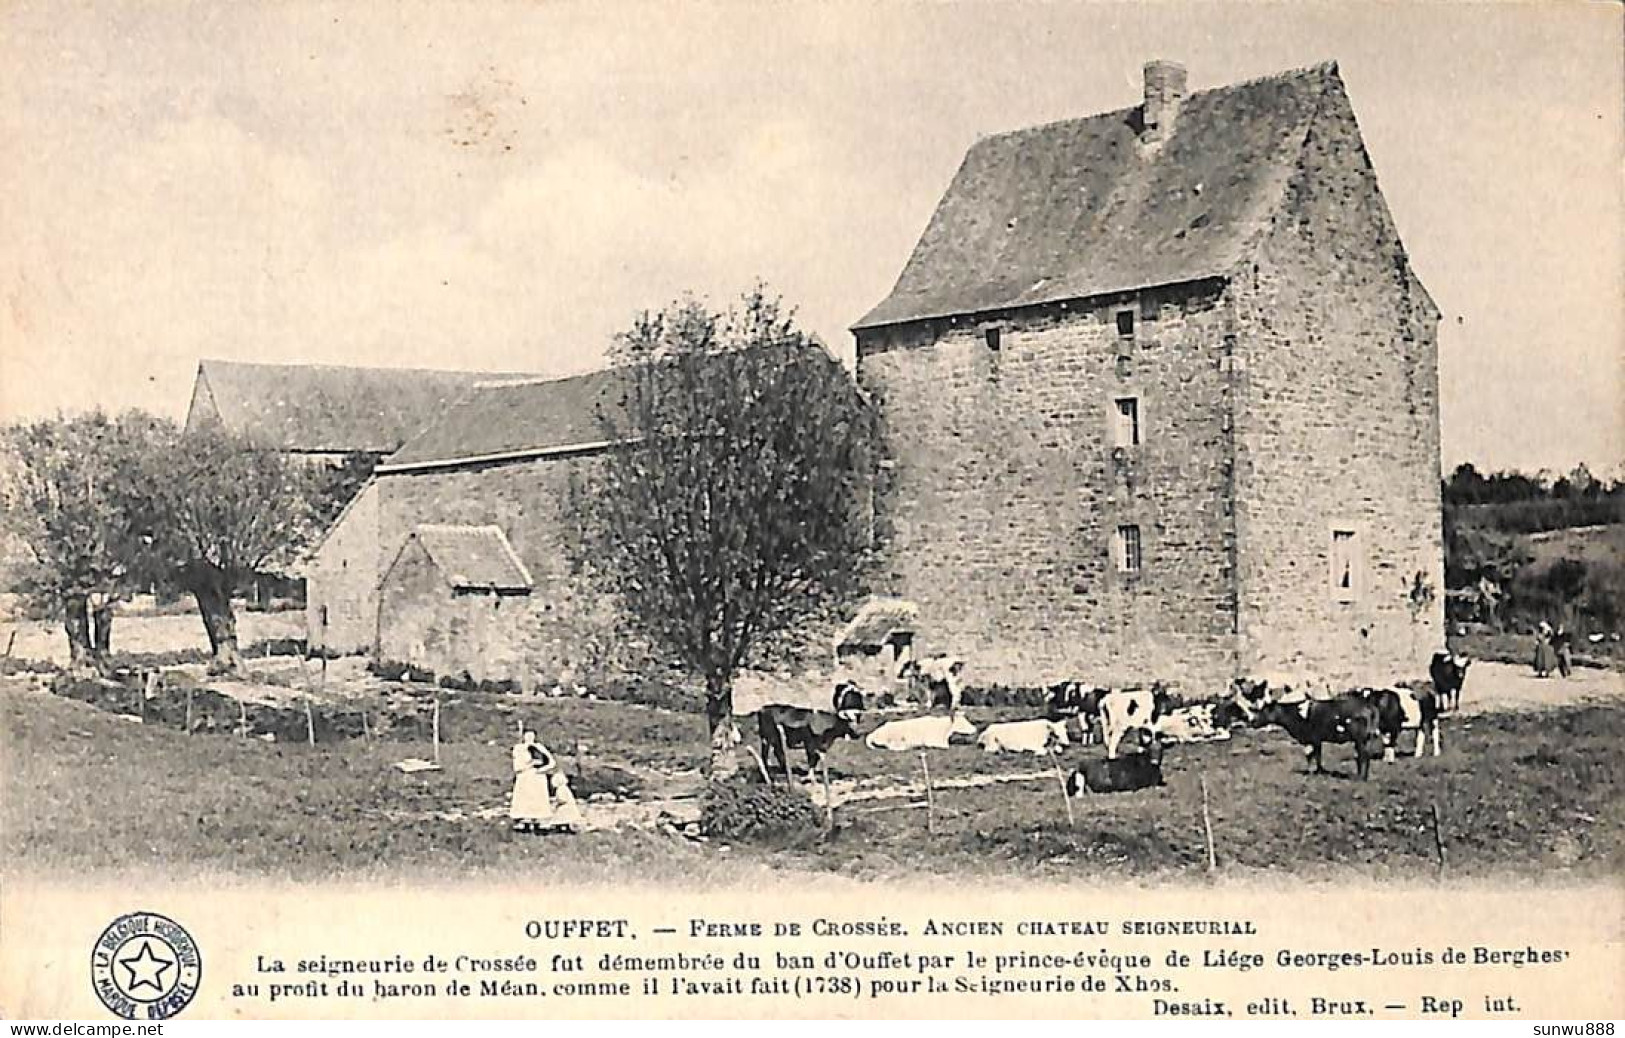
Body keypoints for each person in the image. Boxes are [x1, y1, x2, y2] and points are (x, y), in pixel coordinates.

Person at [509, 730, 584, 834]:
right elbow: (517, 765)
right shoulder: (520, 749)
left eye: (532, 736)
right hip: (525, 777)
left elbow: (551, 762)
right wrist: (527, 764)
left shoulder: (538, 747)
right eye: (527, 736)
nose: (529, 738)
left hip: (537, 777)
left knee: (536, 799)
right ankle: (523, 821)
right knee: (524, 798)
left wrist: (542, 769)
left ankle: (536, 822)